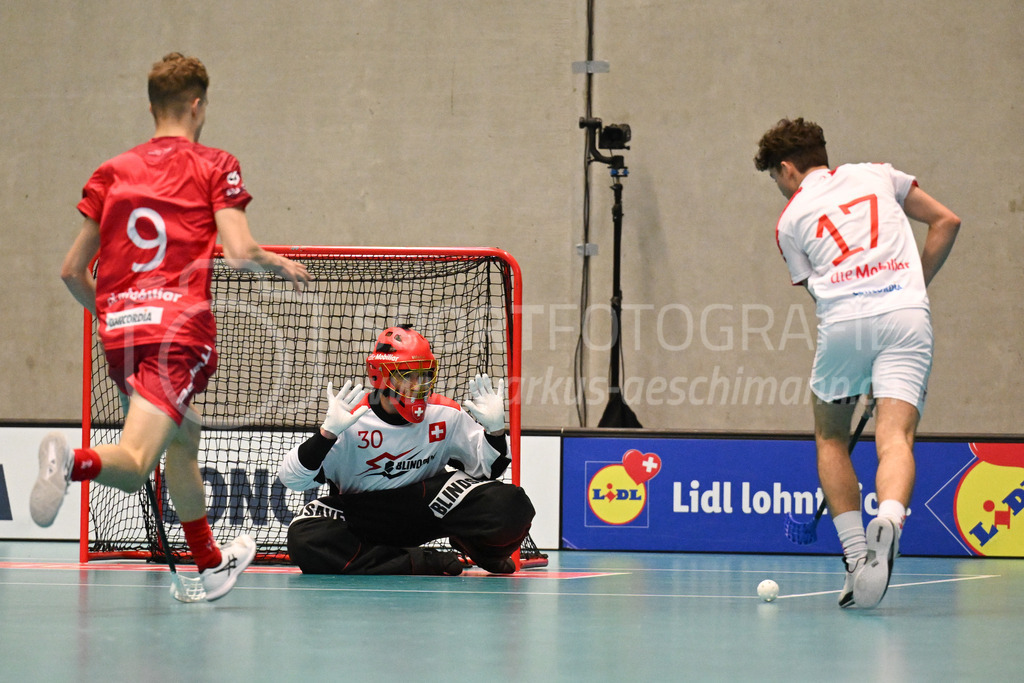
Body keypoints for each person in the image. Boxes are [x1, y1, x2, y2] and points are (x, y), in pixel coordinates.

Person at [30, 52, 311, 601]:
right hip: (176, 334)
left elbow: (70, 271)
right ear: (198, 104)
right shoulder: (215, 164)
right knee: (136, 464)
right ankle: (72, 461)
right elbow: (237, 250)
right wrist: (275, 262)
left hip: (121, 333)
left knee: (185, 439)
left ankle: (208, 564)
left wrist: (115, 317)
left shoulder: (112, 171)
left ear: (152, 105)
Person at [754, 118, 960, 609]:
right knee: (895, 437)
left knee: (830, 436)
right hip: (907, 316)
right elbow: (946, 221)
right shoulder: (878, 174)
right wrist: (913, 285)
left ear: (787, 169)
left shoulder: (789, 221)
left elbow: (818, 292)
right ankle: (888, 517)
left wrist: (859, 354)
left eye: (776, 179)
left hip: (846, 323)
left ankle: (854, 558)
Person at [277, 325, 535, 575]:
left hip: (427, 507)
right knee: (304, 537)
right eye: (407, 375)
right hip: (365, 516)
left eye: (424, 375)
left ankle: (478, 549)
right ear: (381, 376)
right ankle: (417, 562)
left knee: (512, 505)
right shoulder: (350, 421)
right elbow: (292, 479)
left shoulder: (445, 414)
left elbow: (487, 470)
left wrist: (496, 432)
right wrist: (326, 434)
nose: (418, 385)